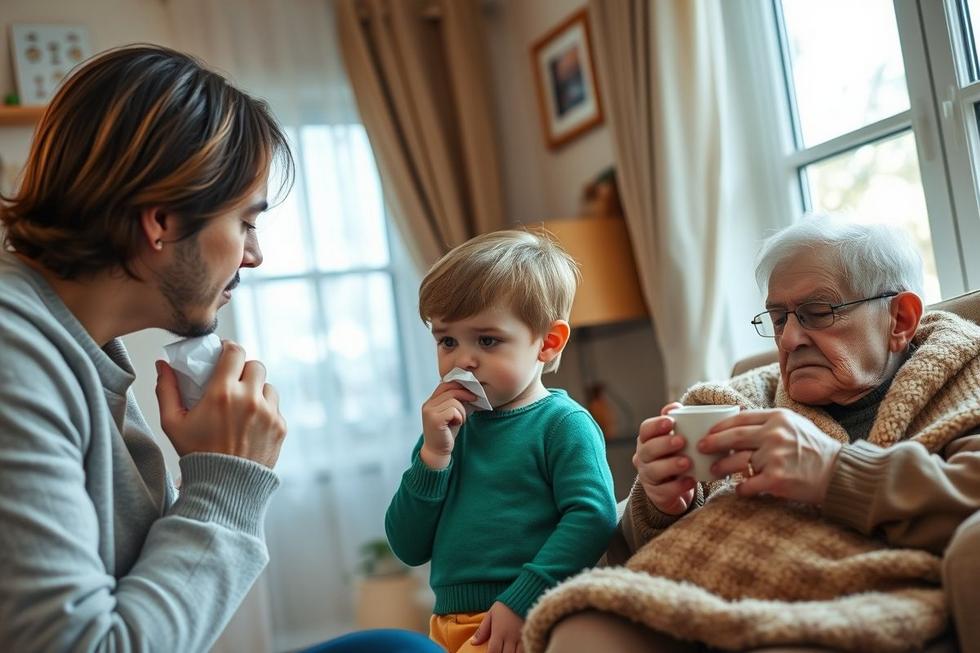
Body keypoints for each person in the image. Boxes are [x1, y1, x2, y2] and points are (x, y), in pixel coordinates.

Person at [0, 45, 439, 653]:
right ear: (161, 222)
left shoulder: (73, 345)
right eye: (246, 223)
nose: (254, 255)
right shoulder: (15, 360)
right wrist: (227, 481)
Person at [522, 216, 980, 653]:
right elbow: (655, 552)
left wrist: (834, 473)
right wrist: (661, 505)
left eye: (818, 312)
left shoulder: (965, 380)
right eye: (779, 318)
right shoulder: (736, 399)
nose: (789, 340)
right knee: (584, 625)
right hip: (710, 595)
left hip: (856, 595)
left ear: (900, 319)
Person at [385, 229, 619, 653]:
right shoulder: (447, 432)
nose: (462, 359)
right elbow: (407, 546)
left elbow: (593, 517)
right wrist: (433, 456)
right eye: (447, 340)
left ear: (548, 343)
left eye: (487, 340)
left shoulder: (563, 424)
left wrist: (522, 598)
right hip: (448, 625)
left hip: (527, 617)